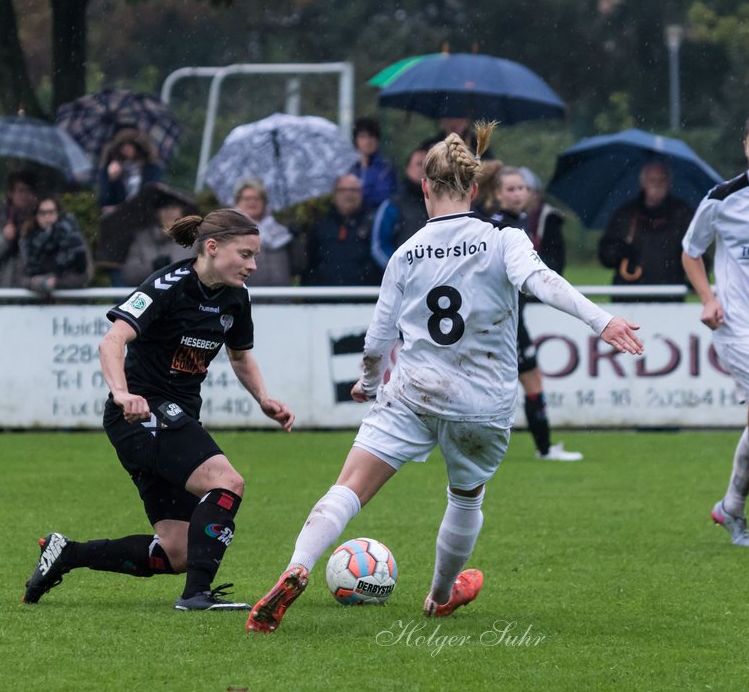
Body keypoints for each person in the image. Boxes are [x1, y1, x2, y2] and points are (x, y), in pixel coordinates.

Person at [246, 124, 643, 633]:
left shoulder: (405, 253)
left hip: (412, 391)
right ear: (474, 189)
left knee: (348, 488)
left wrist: (368, 383)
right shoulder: (503, 237)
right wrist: (601, 320)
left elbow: (376, 340)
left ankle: (296, 567)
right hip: (481, 402)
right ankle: (437, 596)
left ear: (425, 187)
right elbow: (542, 281)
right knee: (465, 496)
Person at [23, 208, 296, 611]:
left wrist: (263, 399)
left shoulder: (235, 298)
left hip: (172, 418)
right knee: (227, 482)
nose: (253, 265)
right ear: (212, 247)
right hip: (141, 415)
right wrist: (121, 393)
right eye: (245, 254)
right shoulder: (168, 286)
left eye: (255, 255)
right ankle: (196, 596)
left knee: (178, 551)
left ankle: (67, 554)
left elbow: (240, 357)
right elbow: (111, 342)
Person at [683, 110, 749, 548]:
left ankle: (731, 509)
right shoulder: (722, 198)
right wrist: (709, 298)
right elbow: (691, 252)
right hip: (738, 326)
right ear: (744, 148)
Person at [489, 166, 581, 462]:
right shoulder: (497, 225)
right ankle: (543, 449)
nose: (517, 194)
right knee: (528, 381)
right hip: (501, 319)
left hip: (516, 316)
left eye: (521, 189)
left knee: (531, 380)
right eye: (511, 189)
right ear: (497, 193)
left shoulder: (523, 220)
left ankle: (544, 448)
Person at [600, 160, 695, 303]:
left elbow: (696, 251)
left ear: (669, 183)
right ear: (643, 183)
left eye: (661, 180)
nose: (657, 184)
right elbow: (606, 256)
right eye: (652, 180)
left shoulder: (683, 214)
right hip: (629, 297)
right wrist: (619, 251)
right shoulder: (626, 214)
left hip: (669, 297)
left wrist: (694, 280)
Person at [302, 174, 382, 286]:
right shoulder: (320, 226)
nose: (349, 194)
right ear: (335, 194)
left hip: (365, 297)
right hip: (325, 298)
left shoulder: (375, 224)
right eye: (343, 190)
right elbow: (309, 263)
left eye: (354, 190)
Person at [233, 178, 302, 286]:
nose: (252, 202)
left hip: (281, 298)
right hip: (246, 299)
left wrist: (296, 241)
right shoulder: (230, 231)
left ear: (264, 202)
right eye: (247, 198)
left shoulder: (280, 232)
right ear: (238, 201)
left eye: (257, 198)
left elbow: (298, 266)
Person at [0, 171, 38, 288]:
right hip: (1, 297)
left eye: (29, 190)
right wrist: (4, 240)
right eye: (21, 190)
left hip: (30, 297)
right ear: (11, 193)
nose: (25, 195)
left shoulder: (39, 223)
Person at [119, 191, 193, 287]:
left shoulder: (194, 238)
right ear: (157, 213)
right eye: (164, 208)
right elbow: (129, 275)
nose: (169, 212)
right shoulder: (142, 238)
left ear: (182, 211)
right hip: (151, 295)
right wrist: (152, 267)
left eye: (174, 207)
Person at [372, 145, 429, 269]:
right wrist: (400, 271)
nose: (425, 169)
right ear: (408, 169)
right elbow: (379, 246)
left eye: (430, 165)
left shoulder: (444, 201)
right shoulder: (393, 204)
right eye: (420, 164)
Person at [20, 195, 91, 293]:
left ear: (58, 213)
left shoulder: (73, 237)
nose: (47, 217)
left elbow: (84, 274)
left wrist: (57, 282)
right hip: (38, 303)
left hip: (71, 301)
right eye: (42, 213)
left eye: (51, 212)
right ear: (36, 215)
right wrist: (40, 283)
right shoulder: (28, 239)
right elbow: (22, 277)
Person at [97, 128, 162, 215]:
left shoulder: (150, 168)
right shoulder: (111, 167)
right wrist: (112, 179)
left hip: (143, 215)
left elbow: (153, 195)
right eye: (122, 145)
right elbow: (105, 201)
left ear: (138, 146)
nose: (126, 149)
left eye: (129, 144)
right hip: (119, 218)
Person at [349, 117, 397, 212]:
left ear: (377, 140)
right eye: (362, 136)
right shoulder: (349, 168)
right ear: (356, 140)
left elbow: (383, 197)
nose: (367, 141)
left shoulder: (386, 169)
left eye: (371, 136)